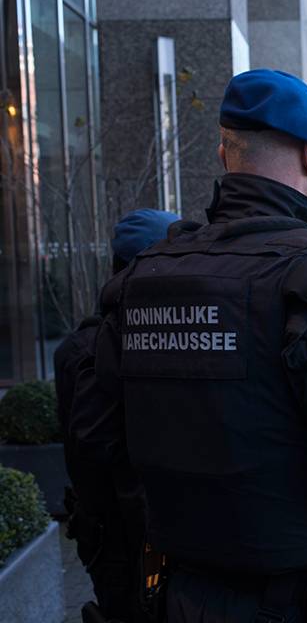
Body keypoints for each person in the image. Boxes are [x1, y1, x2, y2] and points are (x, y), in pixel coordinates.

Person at [91, 69, 307, 622]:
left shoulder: (142, 277)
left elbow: (103, 441)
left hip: (179, 591)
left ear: (224, 155)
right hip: (305, 595)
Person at [55, 208, 179, 622]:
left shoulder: (79, 346)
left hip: (112, 536)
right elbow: (93, 451)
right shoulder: (110, 346)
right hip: (129, 539)